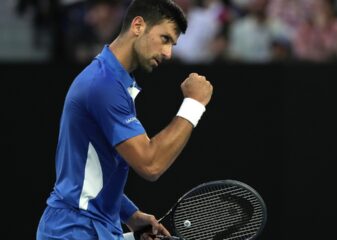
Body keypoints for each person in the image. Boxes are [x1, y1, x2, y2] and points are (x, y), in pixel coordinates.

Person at [36, 0, 213, 239]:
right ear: (138, 26)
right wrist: (193, 104)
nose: (168, 53)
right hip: (75, 230)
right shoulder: (104, 86)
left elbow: (87, 174)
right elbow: (151, 164)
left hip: (81, 225)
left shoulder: (112, 81)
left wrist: (129, 214)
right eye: (165, 39)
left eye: (172, 44)